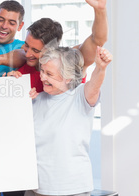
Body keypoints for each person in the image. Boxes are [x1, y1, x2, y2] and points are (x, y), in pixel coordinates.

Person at [25, 46, 112, 196]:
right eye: (43, 71)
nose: (43, 77)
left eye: (49, 74)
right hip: (36, 188)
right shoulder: (36, 99)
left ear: (68, 77)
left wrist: (101, 68)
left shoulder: (79, 96)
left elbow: (95, 84)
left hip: (72, 188)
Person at [0, 0, 108, 92]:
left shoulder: (69, 63)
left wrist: (100, 10)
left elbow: (97, 40)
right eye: (26, 45)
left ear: (51, 50)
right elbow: (20, 53)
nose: (28, 53)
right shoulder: (26, 63)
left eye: (35, 50)